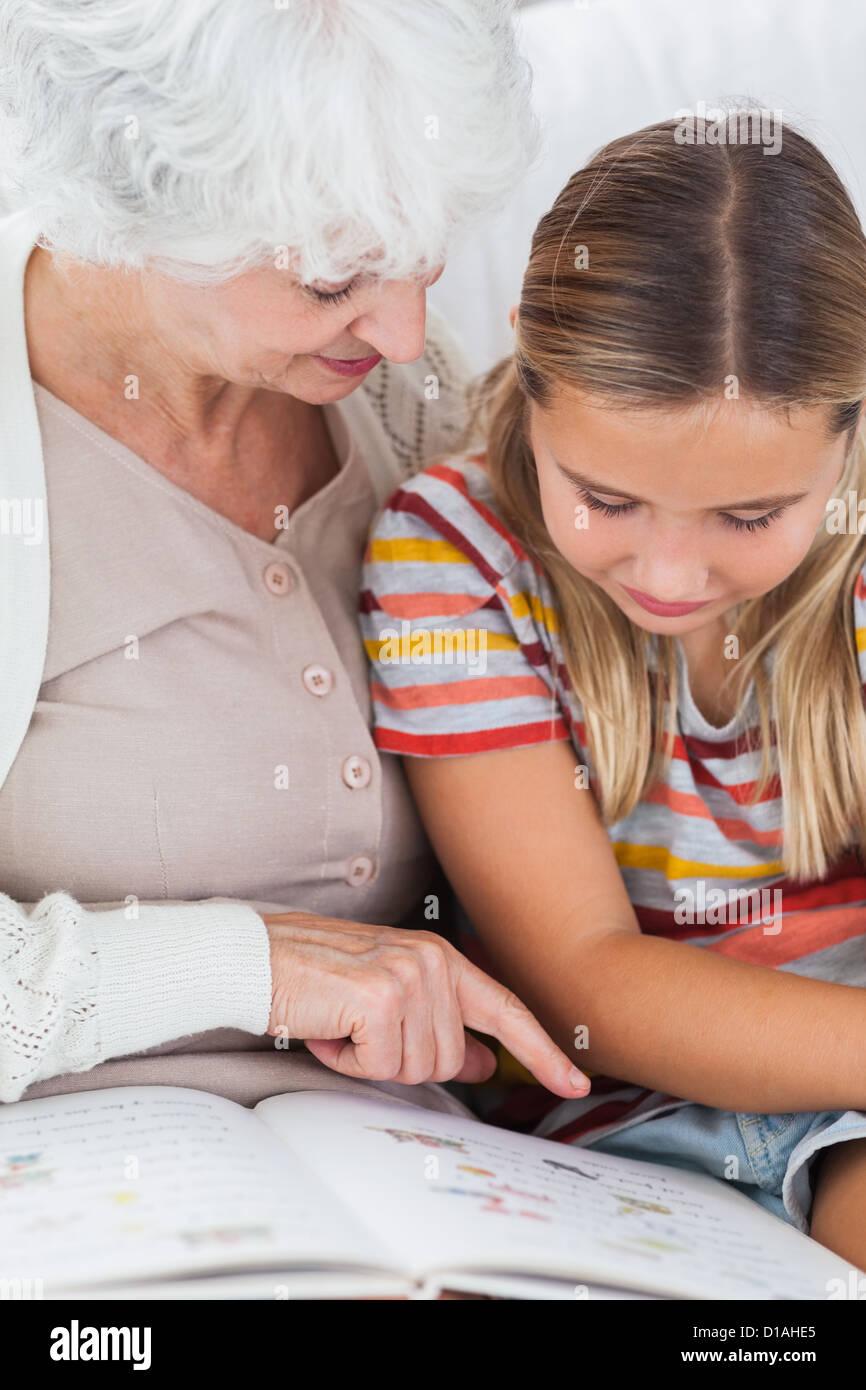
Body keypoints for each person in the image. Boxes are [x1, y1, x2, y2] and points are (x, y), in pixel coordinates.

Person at [0, 0, 590, 1114]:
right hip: (79, 1171)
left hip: (420, 1169)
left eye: (422, 261)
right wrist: (256, 967)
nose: (407, 335)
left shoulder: (403, 404)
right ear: (137, 206)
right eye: (331, 284)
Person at [360, 115, 866, 1268]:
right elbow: (584, 975)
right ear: (530, 384)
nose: (670, 575)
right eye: (607, 499)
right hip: (628, 1111)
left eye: (750, 517)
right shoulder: (455, 556)